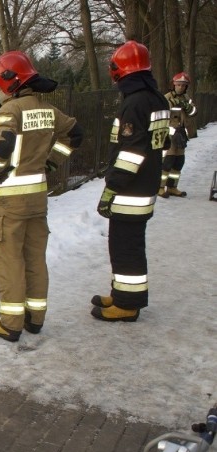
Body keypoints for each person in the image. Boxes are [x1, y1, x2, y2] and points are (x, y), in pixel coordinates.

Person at [0, 51, 83, 342]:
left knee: (9, 260)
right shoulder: (47, 109)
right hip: (38, 201)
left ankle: (11, 324)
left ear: (10, 83)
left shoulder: (9, 112)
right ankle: (35, 319)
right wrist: (51, 162)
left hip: (9, 204)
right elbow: (76, 134)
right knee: (35, 259)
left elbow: (3, 145)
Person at [91, 40, 170, 322]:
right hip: (145, 185)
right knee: (128, 244)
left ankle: (127, 305)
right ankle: (122, 294)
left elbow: (131, 152)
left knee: (125, 247)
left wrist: (112, 186)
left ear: (118, 71)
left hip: (129, 190)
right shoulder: (157, 98)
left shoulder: (134, 103)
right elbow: (161, 140)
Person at [158, 72, 198, 198]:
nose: (181, 87)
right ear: (174, 85)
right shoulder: (166, 97)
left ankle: (172, 187)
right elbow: (161, 113)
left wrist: (187, 106)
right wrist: (171, 103)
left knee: (179, 162)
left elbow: (194, 112)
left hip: (181, 135)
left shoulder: (187, 98)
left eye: (183, 85)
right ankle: (159, 187)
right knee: (167, 162)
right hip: (169, 137)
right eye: (178, 85)